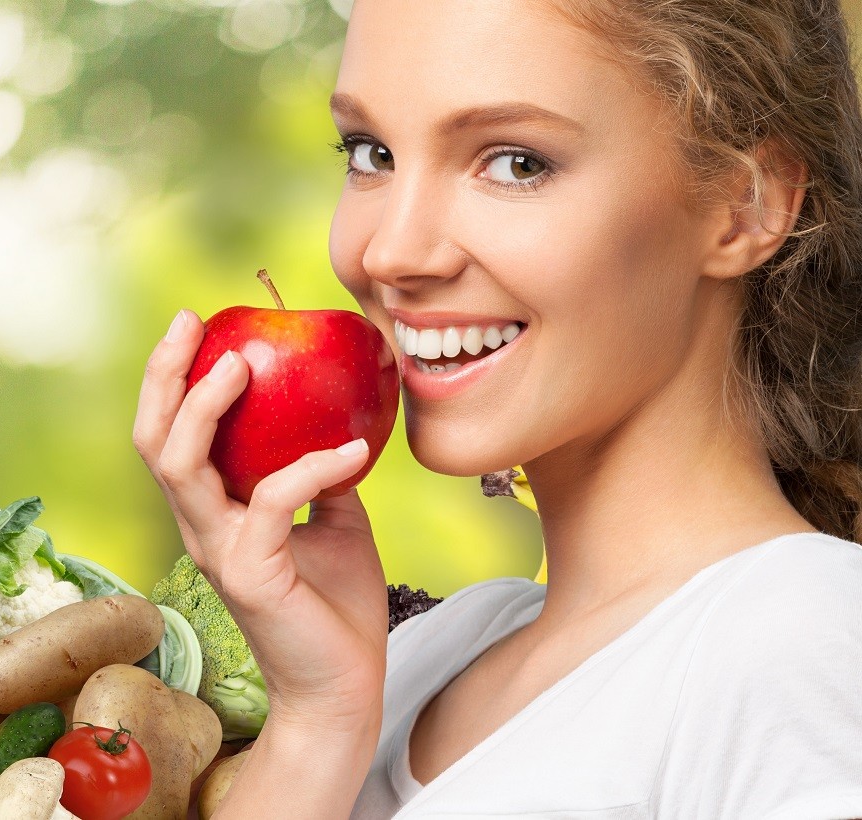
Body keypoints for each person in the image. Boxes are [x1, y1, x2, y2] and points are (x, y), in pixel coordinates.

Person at [134, 0, 862, 816]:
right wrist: (317, 722)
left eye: (516, 163)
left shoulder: (802, 643)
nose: (390, 252)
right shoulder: (433, 653)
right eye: (372, 154)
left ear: (747, 205)